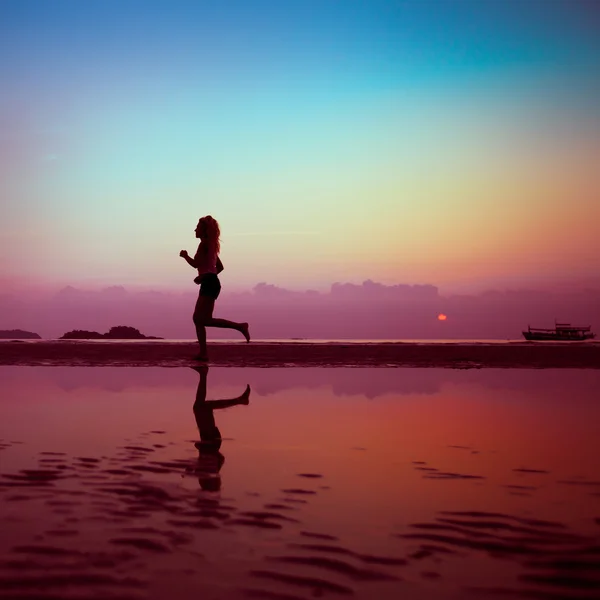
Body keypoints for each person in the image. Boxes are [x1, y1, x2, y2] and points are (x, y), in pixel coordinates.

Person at [180, 215, 250, 361]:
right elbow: (219, 268)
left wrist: (185, 256)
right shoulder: (211, 245)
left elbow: (195, 264)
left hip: (210, 283)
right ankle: (204, 352)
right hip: (211, 282)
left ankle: (240, 327)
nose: (195, 229)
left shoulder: (204, 244)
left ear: (204, 230)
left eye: (197, 227)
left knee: (202, 319)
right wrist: (206, 276)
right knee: (200, 319)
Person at [189, 365, 250, 491]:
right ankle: (204, 374)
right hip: (210, 439)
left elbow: (213, 459)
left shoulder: (209, 471)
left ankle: (203, 374)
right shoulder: (212, 470)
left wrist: (193, 467)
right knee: (201, 407)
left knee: (201, 406)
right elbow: (218, 458)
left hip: (209, 438)